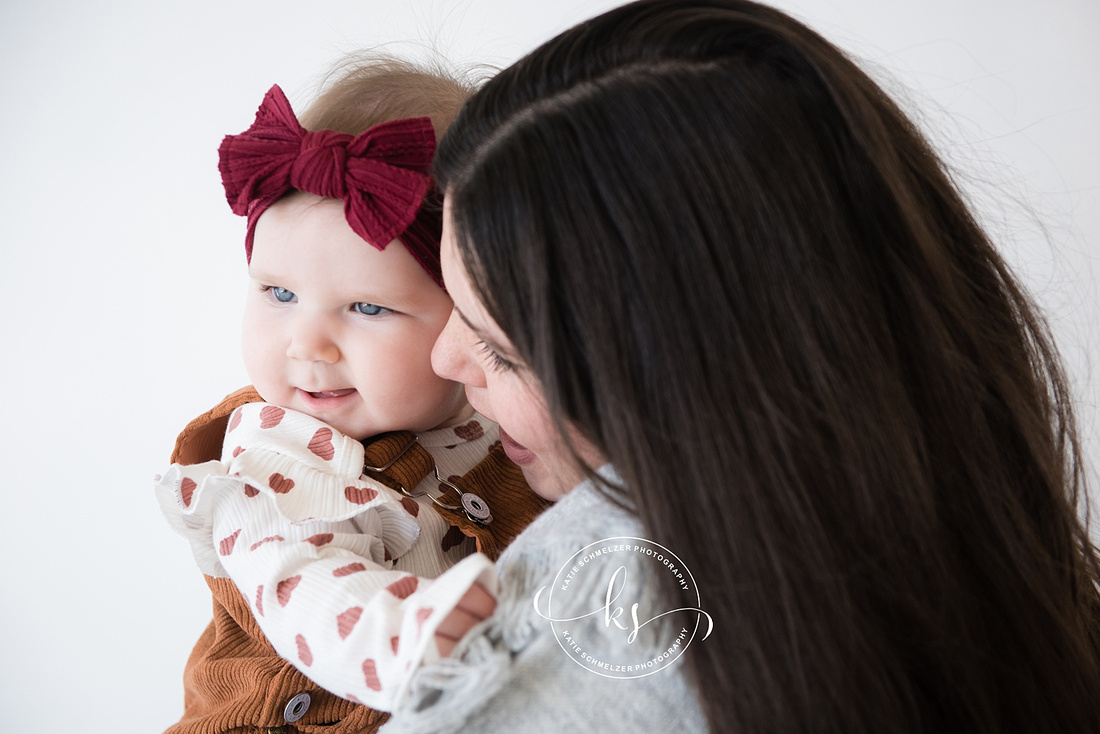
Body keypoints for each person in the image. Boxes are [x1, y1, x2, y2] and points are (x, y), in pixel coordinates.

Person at [380, 0, 1100, 731]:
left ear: (690, 385)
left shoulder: (594, 636)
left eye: (500, 349)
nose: (444, 359)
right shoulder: (998, 566)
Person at [155, 56, 547, 734]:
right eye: (279, 294)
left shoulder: (496, 420)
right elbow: (300, 583)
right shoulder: (275, 452)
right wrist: (405, 636)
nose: (308, 346)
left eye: (366, 308)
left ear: (473, 310)